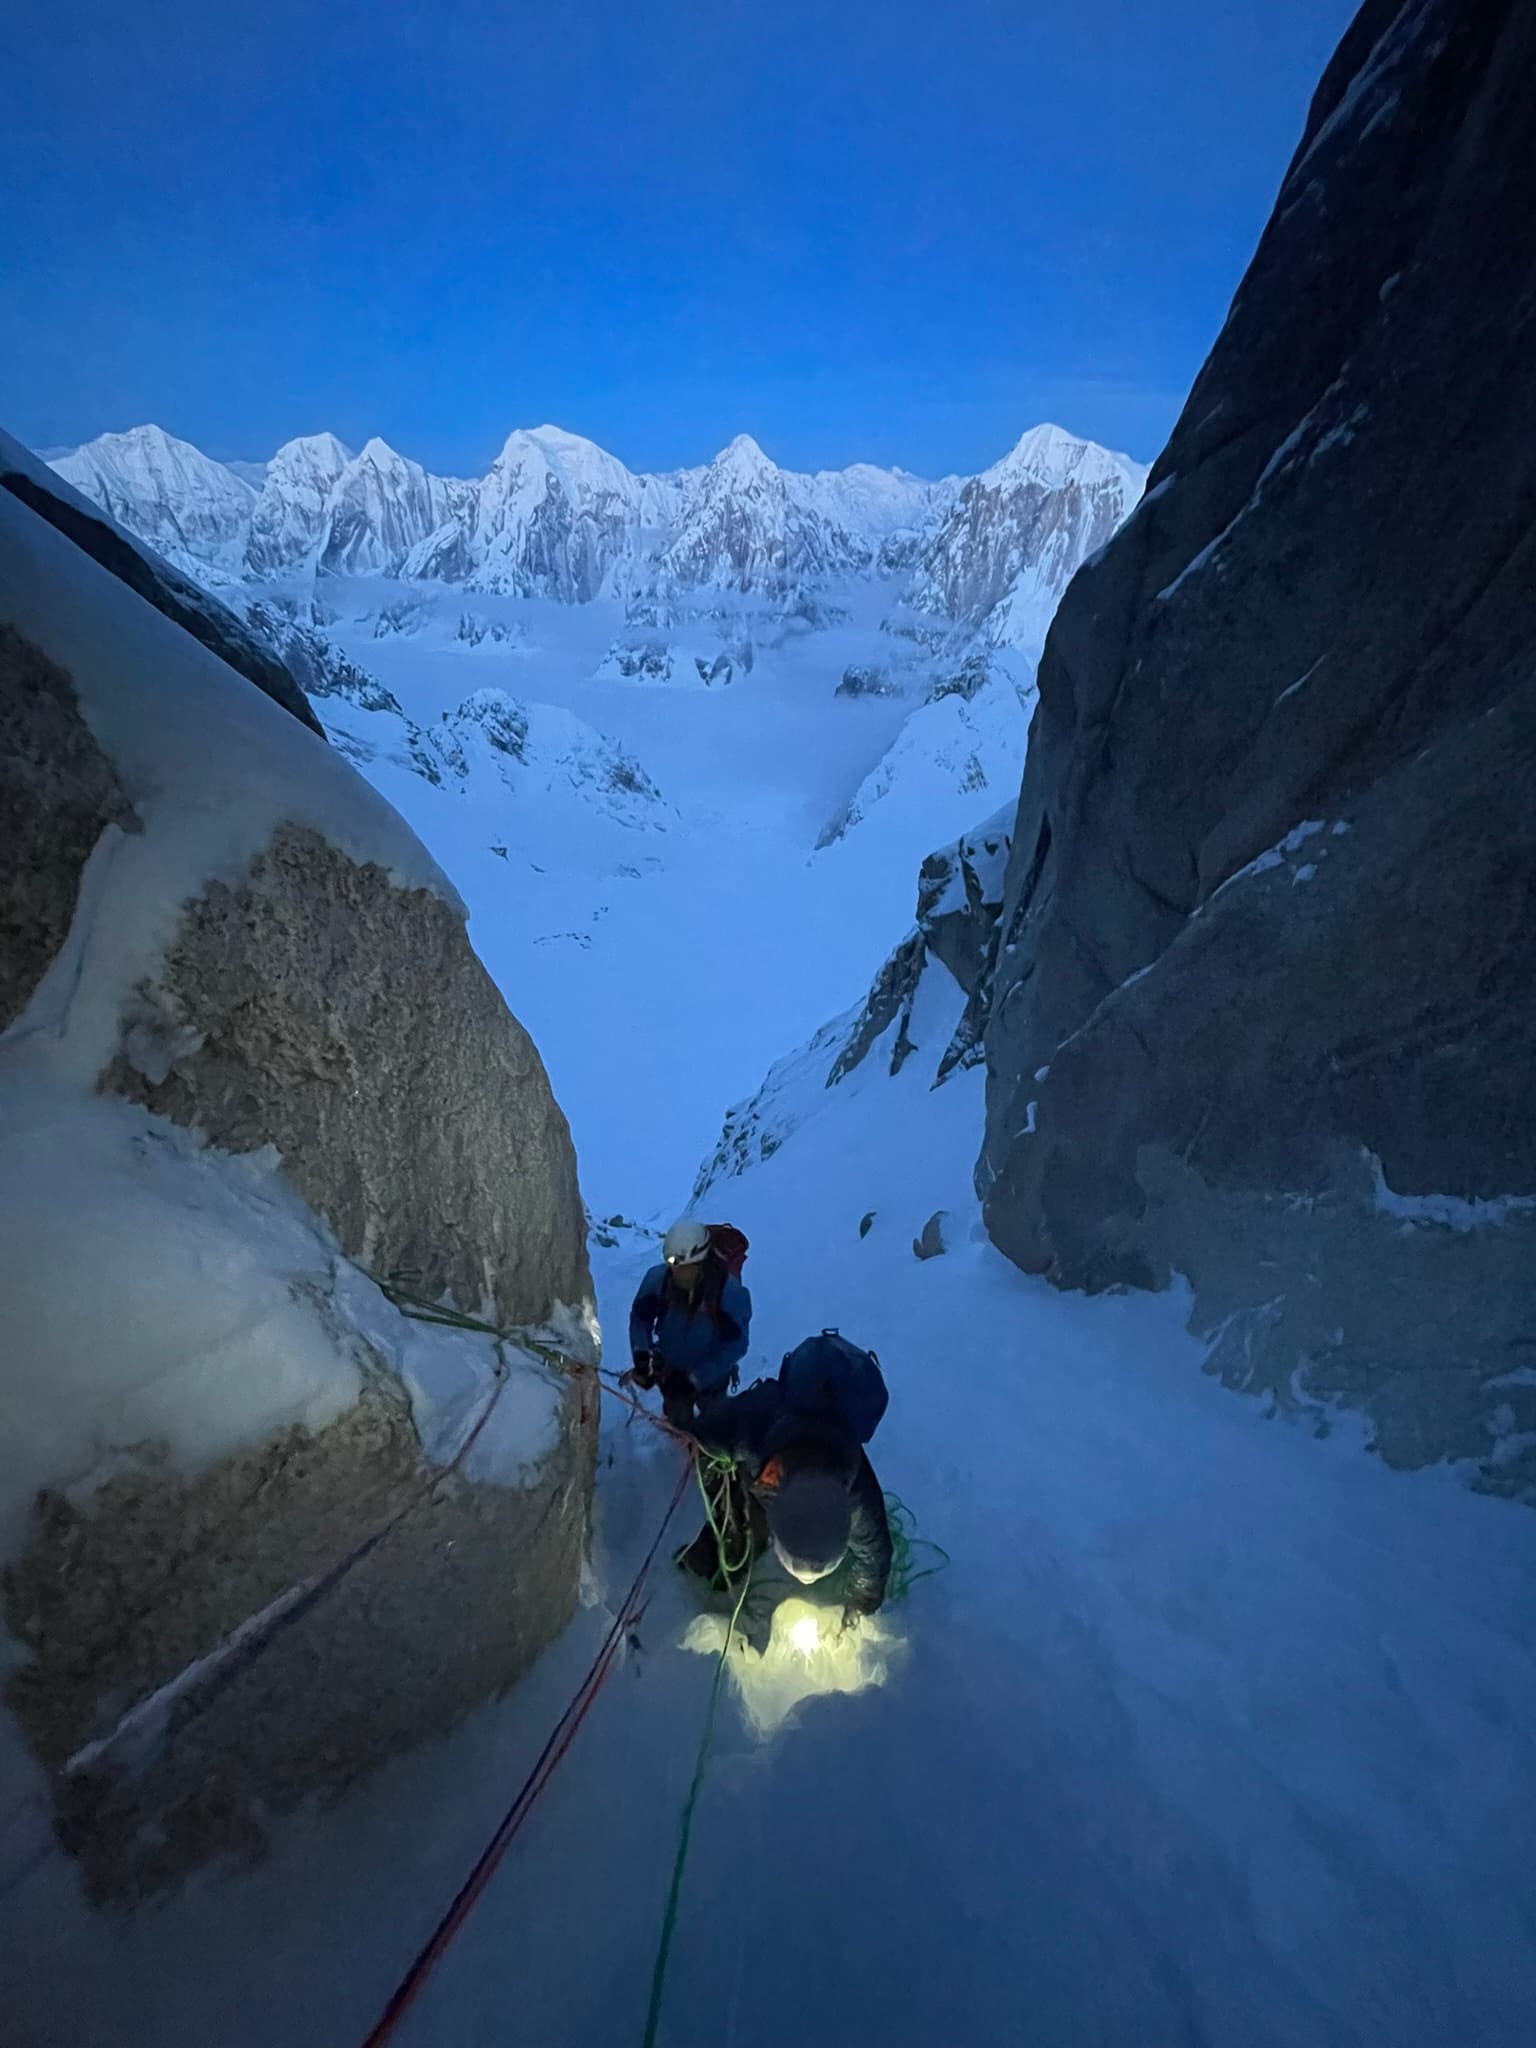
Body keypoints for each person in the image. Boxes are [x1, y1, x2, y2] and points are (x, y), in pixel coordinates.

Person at [676, 1361, 892, 1629]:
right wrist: (697, 1454)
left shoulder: (858, 1498)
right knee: (738, 1526)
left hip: (784, 1463)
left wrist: (861, 1603)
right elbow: (696, 1436)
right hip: (759, 1448)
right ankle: (697, 1563)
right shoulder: (750, 1428)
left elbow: (876, 1554)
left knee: (750, 1527)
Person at [628, 1219, 752, 1429]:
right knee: (678, 1419)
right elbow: (641, 1318)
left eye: (685, 1268)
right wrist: (643, 1356)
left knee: (715, 1427)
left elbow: (736, 1345)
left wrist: (696, 1379)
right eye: (674, 1267)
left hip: (712, 1377)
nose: (678, 1274)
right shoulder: (659, 1280)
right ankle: (683, 1443)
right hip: (671, 1370)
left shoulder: (729, 1294)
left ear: (702, 1261)